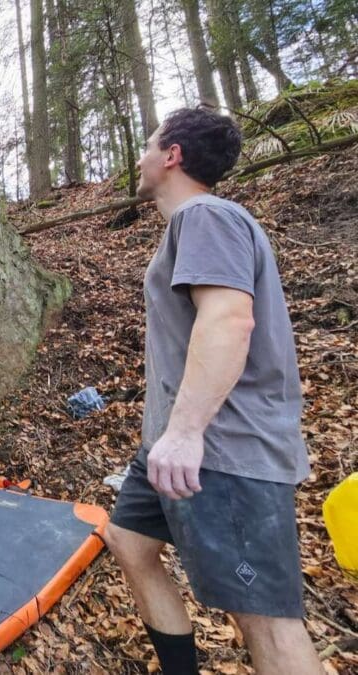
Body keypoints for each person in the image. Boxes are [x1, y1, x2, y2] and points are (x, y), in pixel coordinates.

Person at [104, 107, 321, 674]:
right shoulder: (195, 223)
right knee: (128, 541)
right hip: (171, 443)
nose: (140, 158)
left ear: (172, 155)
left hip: (223, 448)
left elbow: (228, 319)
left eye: (149, 145)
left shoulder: (205, 215)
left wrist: (185, 432)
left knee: (266, 620)